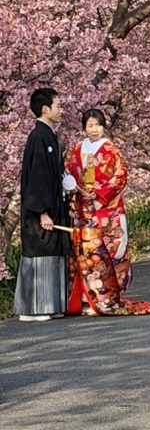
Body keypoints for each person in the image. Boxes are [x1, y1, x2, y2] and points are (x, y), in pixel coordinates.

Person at [65, 109, 150, 316]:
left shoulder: (110, 149)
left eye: (98, 125)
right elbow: (70, 171)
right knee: (82, 251)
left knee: (102, 252)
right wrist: (69, 184)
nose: (94, 130)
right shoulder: (77, 149)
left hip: (104, 208)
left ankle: (104, 298)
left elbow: (120, 176)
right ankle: (85, 297)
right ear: (84, 127)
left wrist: (99, 196)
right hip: (81, 207)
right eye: (90, 126)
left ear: (104, 126)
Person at [13, 88, 71, 322]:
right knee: (39, 254)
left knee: (51, 254)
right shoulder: (38, 137)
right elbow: (38, 178)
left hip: (52, 206)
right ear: (45, 109)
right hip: (41, 211)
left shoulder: (48, 135)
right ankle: (31, 309)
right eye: (58, 105)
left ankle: (50, 304)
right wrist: (43, 212)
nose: (61, 109)